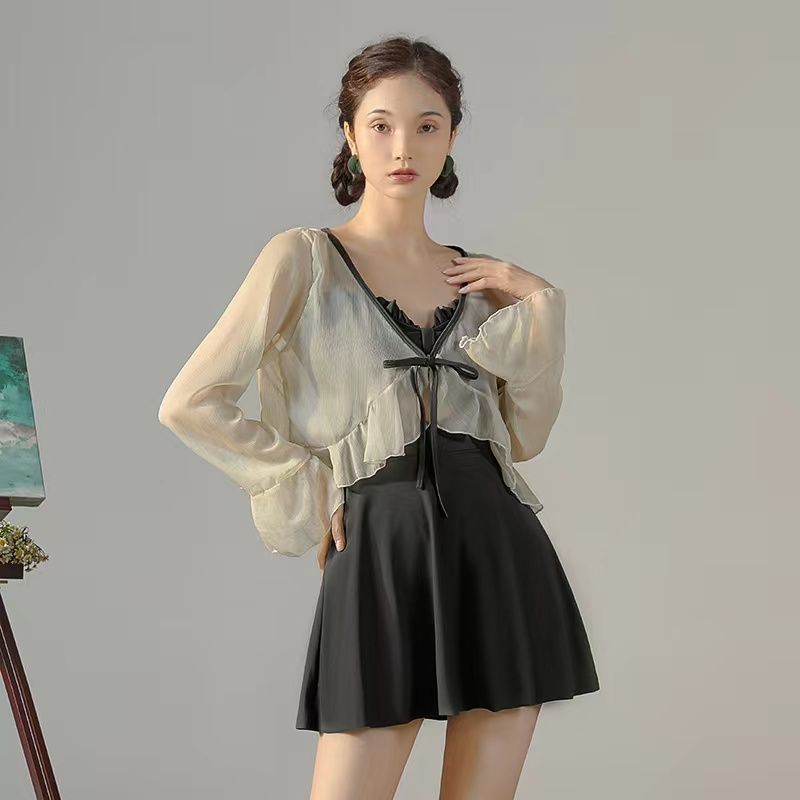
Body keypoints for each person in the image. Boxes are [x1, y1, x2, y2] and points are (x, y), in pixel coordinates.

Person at [159, 35, 599, 800]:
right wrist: (306, 479)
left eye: (428, 126)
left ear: (451, 137)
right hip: (380, 554)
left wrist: (537, 305)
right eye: (382, 124)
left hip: (499, 554)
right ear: (350, 135)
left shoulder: (478, 283)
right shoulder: (304, 258)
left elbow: (524, 438)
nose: (404, 147)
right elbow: (190, 401)